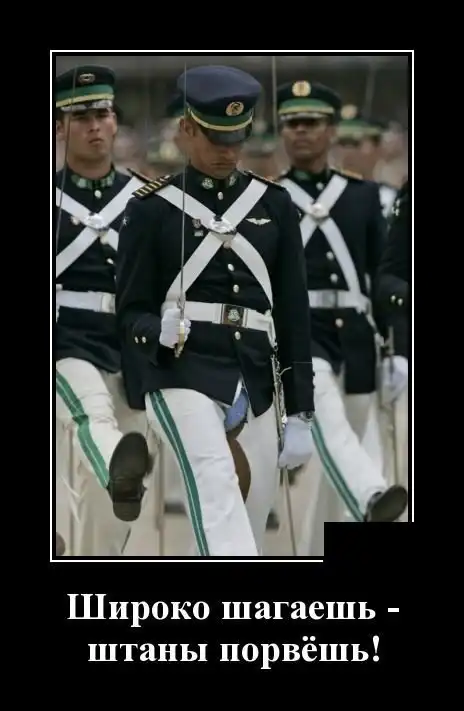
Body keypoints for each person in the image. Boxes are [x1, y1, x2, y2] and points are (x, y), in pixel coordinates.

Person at [116, 65, 315, 557]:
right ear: (187, 129)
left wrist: (302, 410)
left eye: (237, 138)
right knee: (216, 482)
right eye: (216, 138)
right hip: (180, 367)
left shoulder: (275, 204)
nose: (229, 151)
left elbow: (293, 314)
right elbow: (131, 310)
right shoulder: (152, 209)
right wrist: (154, 331)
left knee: (250, 514)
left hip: (256, 374)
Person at [273, 80, 408, 546]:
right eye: (292, 123)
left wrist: (398, 348)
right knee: (329, 426)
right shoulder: (268, 198)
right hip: (300, 333)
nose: (300, 131)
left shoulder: (362, 196)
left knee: (340, 456)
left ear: (331, 130)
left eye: (311, 123)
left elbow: (383, 276)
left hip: (356, 335)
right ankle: (372, 494)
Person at [55, 64, 152, 556]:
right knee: (93, 419)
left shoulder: (148, 201)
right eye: (81, 116)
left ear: (115, 123)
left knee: (112, 505)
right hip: (66, 340)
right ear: (60, 128)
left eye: (103, 114)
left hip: (132, 346)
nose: (94, 126)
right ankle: (118, 462)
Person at [333, 105, 397, 218]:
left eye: (355, 144)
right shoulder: (321, 197)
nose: (347, 152)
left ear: (378, 149)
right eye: (342, 143)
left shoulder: (393, 202)